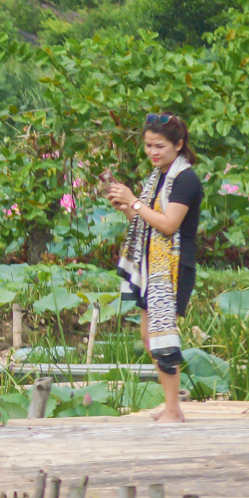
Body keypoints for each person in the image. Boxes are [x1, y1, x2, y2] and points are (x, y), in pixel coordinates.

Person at [104, 112, 203, 423]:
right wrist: (128, 209)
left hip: (173, 268)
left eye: (159, 145)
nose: (153, 152)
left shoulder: (186, 179)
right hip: (152, 266)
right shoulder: (158, 177)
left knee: (162, 338)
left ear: (179, 144)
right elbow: (149, 222)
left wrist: (135, 202)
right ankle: (172, 405)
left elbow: (169, 224)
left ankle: (174, 409)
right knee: (149, 338)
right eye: (148, 146)